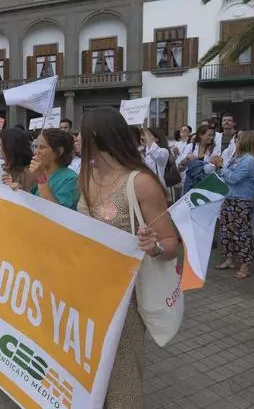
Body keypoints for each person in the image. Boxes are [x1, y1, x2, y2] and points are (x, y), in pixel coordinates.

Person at [76, 107, 180, 407]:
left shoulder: (140, 182)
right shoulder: (87, 175)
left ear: (95, 137)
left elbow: (171, 243)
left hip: (124, 296)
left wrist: (154, 246)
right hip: (86, 289)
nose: (76, 140)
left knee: (122, 368)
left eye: (81, 134)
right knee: (91, 363)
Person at [213, 130, 254, 278]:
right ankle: (230, 259)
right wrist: (218, 166)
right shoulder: (236, 158)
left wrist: (221, 166)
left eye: (238, 140)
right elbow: (224, 175)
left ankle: (245, 265)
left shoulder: (250, 161)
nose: (235, 142)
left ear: (245, 142)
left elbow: (234, 178)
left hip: (242, 201)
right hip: (229, 199)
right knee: (226, 231)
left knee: (241, 233)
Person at [29, 128, 79, 210]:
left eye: (42, 147)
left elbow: (57, 212)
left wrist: (40, 178)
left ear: (59, 151)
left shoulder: (71, 179)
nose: (36, 152)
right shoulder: (41, 172)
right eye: (35, 147)